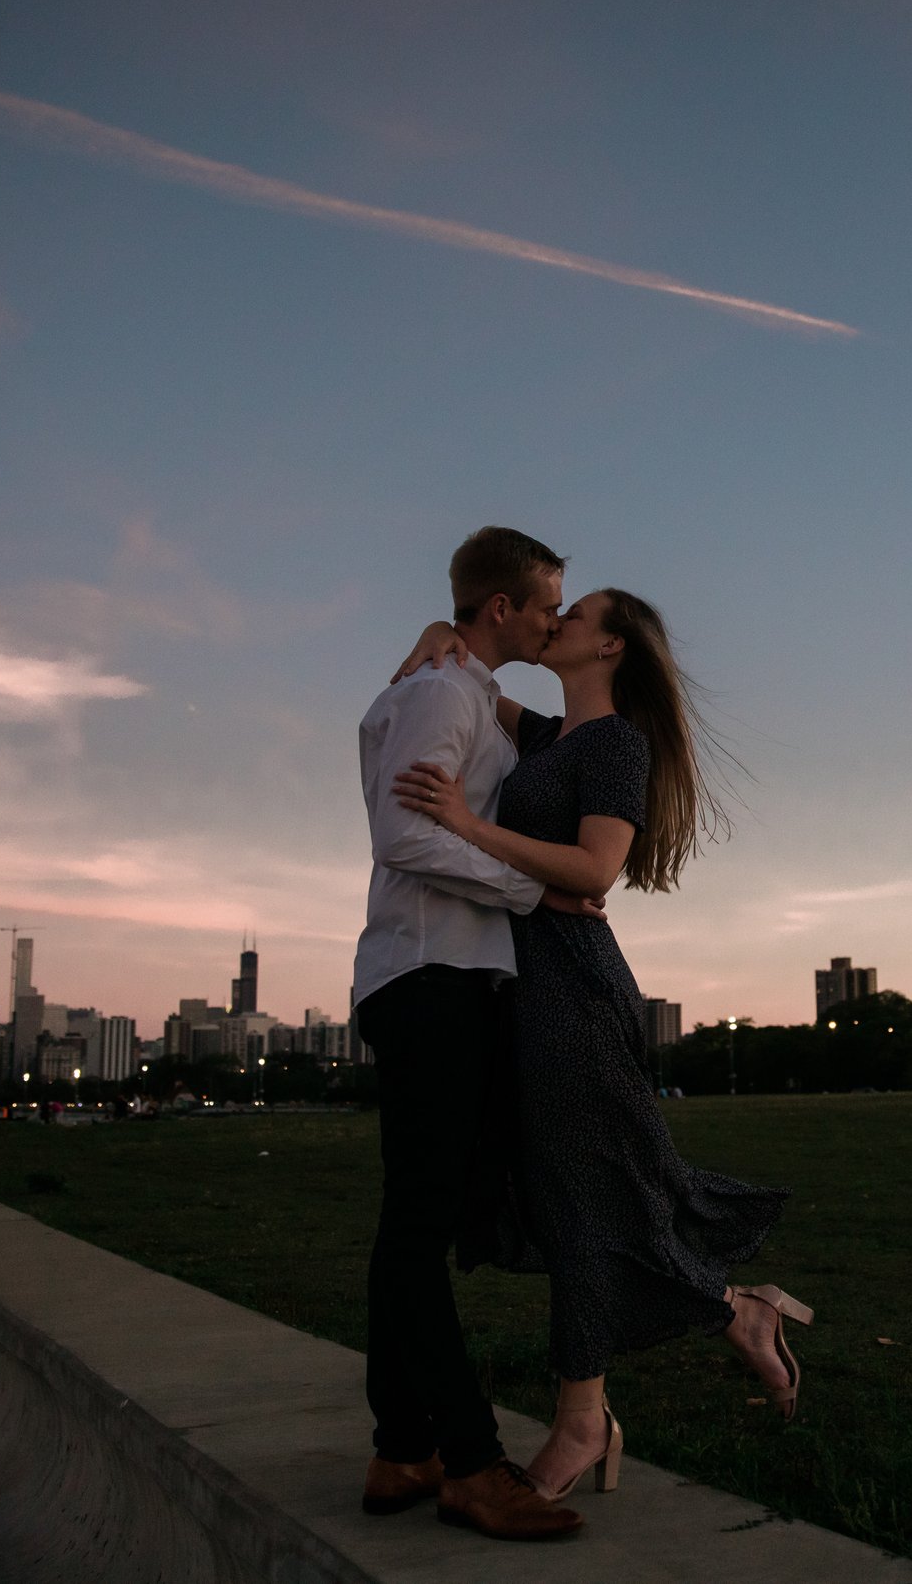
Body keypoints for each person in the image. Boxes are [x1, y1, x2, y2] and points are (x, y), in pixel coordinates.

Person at [392, 583, 809, 1506]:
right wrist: (439, 633)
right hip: (523, 981)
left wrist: (466, 823)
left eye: (573, 615)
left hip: (575, 988)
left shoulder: (618, 744)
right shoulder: (548, 737)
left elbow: (595, 870)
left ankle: (594, 1412)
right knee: (565, 1188)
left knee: (590, 1186)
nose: (556, 621)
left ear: (612, 646)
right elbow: (466, 668)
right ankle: (731, 1312)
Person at [351, 527, 596, 1543]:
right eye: (544, 604)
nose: (553, 620)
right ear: (499, 607)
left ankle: (402, 1442)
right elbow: (403, 831)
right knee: (421, 1225)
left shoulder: (450, 682)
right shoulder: (445, 688)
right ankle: (470, 1459)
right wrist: (531, 891)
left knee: (415, 1218)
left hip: (444, 976)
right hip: (431, 974)